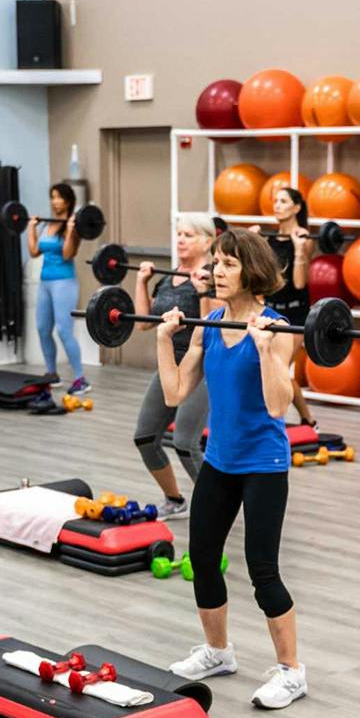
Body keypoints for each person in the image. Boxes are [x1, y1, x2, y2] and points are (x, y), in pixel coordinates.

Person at [157, 228, 308, 710]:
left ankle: (292, 672)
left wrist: (265, 351)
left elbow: (276, 404)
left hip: (263, 464)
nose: (216, 271)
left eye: (228, 264)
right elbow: (174, 394)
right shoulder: (211, 324)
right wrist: (165, 341)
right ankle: (219, 652)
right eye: (216, 263)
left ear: (252, 271)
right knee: (201, 557)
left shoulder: (276, 329)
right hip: (220, 460)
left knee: (263, 571)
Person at [132, 214, 216, 518]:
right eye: (179, 234)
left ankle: (217, 504)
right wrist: (141, 282)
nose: (180, 240)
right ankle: (175, 500)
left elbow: (214, 327)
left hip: (203, 367)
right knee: (144, 438)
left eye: (189, 235)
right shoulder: (169, 277)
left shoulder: (214, 276)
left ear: (207, 241)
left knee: (184, 443)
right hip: (170, 366)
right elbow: (143, 323)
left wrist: (204, 291)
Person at [28, 181, 87, 394]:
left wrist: (71, 231)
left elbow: (67, 254)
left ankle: (81, 379)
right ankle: (52, 373)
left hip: (64, 282)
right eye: (52, 197)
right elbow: (35, 251)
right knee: (43, 329)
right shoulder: (47, 224)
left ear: (68, 201)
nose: (55, 201)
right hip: (45, 282)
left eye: (59, 197)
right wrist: (31, 229)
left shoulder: (73, 226)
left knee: (64, 330)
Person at [266, 185, 315, 327]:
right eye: (275, 201)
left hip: (295, 313)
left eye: (283, 201)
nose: (277, 206)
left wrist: (299, 248)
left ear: (296, 208)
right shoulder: (268, 240)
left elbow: (299, 283)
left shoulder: (305, 238)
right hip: (270, 311)